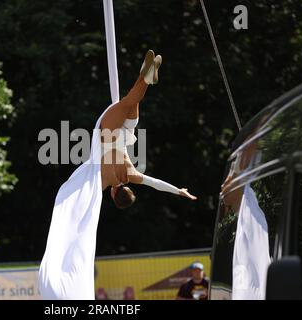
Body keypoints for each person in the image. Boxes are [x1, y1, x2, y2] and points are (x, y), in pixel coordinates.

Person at [38, 50, 197, 300]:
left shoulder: (132, 175)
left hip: (124, 135)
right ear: (114, 194)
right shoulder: (106, 180)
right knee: (125, 101)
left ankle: (145, 79)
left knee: (131, 102)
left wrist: (179, 191)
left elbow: (156, 184)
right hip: (107, 138)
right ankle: (145, 77)